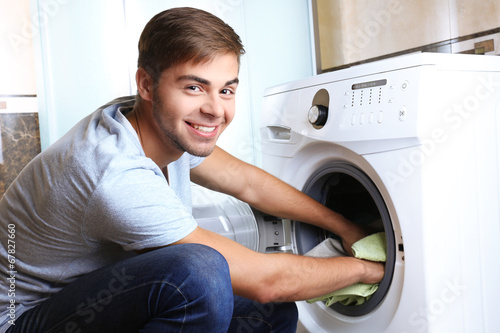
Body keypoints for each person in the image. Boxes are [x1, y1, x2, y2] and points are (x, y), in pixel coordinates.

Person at [0, 7, 384, 333]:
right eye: (195, 88)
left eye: (227, 90)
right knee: (198, 274)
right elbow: (267, 281)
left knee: (271, 315)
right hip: (21, 320)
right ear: (147, 85)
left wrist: (344, 226)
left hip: (84, 299)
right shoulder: (114, 170)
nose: (216, 110)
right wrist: (368, 270)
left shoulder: (156, 126)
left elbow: (247, 183)